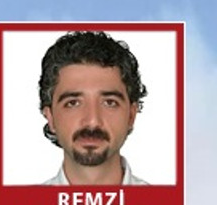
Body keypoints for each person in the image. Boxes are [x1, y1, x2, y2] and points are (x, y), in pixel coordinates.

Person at [39, 31, 148, 186]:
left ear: (131, 115)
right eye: (73, 103)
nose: (92, 121)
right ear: (50, 118)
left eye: (109, 102)